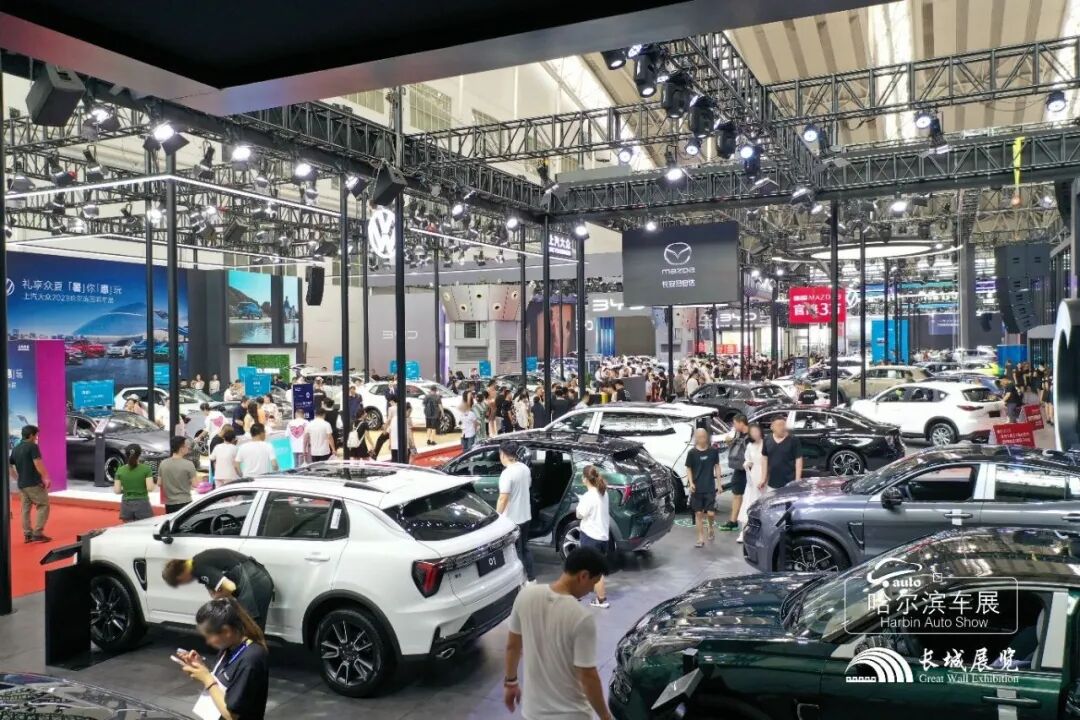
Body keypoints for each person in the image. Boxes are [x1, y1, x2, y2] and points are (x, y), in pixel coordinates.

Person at [503, 548, 611, 720]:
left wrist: (511, 683)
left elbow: (512, 646)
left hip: (533, 713)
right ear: (583, 576)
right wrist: (605, 716)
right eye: (593, 583)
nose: (591, 590)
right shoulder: (581, 618)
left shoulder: (525, 596)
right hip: (571, 714)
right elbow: (588, 676)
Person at [176, 597, 269, 720]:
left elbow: (231, 715)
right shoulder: (228, 647)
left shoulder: (251, 659)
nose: (208, 642)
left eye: (209, 636)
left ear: (226, 631)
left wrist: (207, 679)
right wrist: (201, 667)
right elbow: (224, 679)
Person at [163, 548, 275, 631]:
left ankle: (253, 655)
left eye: (180, 582)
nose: (183, 584)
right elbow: (213, 587)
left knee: (251, 627)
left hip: (254, 582)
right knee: (247, 626)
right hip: (255, 578)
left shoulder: (198, 567)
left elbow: (230, 587)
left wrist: (217, 597)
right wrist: (215, 594)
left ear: (180, 575)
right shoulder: (197, 563)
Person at [496, 441, 535, 582]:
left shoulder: (507, 474)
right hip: (526, 516)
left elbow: (503, 498)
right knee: (525, 548)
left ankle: (519, 581)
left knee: (514, 553)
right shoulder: (525, 468)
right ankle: (531, 578)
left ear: (503, 455)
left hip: (512, 520)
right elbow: (528, 486)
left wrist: (497, 517)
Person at [9, 425, 51, 543]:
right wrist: (46, 477)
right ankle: (37, 533)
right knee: (43, 505)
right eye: (36, 435)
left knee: (26, 509)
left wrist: (17, 477)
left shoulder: (16, 448)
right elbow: (37, 463)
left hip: (22, 484)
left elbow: (9, 465)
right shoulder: (33, 447)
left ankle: (27, 534)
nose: (37, 437)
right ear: (31, 435)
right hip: (33, 483)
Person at [576, 465, 610, 608]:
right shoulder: (603, 492)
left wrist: (579, 503)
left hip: (591, 537)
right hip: (602, 536)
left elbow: (580, 514)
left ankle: (601, 599)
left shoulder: (588, 496)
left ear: (585, 479)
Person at [684, 427, 720, 548]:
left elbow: (717, 466)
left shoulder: (713, 451)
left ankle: (710, 527)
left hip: (709, 487)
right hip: (697, 488)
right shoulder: (692, 453)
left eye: (704, 437)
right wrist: (691, 483)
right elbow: (688, 468)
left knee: (710, 513)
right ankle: (700, 538)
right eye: (699, 437)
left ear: (707, 437)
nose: (702, 439)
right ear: (696, 438)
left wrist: (719, 483)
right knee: (698, 514)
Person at [737, 422, 767, 543]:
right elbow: (748, 460)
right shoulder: (750, 446)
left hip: (764, 475)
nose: (755, 434)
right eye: (752, 432)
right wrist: (747, 464)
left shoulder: (766, 444)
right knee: (749, 502)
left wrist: (765, 478)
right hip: (753, 476)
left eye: (756, 431)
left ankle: (762, 533)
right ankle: (744, 531)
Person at [113, 443, 156, 522]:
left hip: (126, 504)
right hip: (142, 504)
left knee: (128, 527)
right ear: (139, 454)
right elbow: (150, 488)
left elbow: (117, 491)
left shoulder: (120, 470)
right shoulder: (146, 469)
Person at [160, 435, 200, 514]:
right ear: (181, 448)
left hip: (169, 503)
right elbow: (195, 484)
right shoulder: (189, 464)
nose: (188, 447)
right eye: (186, 445)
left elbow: (159, 483)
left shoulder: (163, 463)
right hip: (185, 501)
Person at [723, 415, 750, 531]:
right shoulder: (738, 434)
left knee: (746, 496)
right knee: (737, 494)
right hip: (739, 469)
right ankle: (733, 521)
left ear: (741, 423)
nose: (734, 426)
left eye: (735, 423)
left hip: (749, 470)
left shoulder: (751, 436)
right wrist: (729, 441)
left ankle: (744, 521)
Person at [763, 416, 803, 490]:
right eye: (779, 425)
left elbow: (798, 459)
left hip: (789, 482)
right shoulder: (767, 439)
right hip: (772, 482)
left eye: (783, 425)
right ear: (772, 427)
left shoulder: (793, 440)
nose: (782, 427)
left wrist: (797, 480)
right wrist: (763, 478)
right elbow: (764, 458)